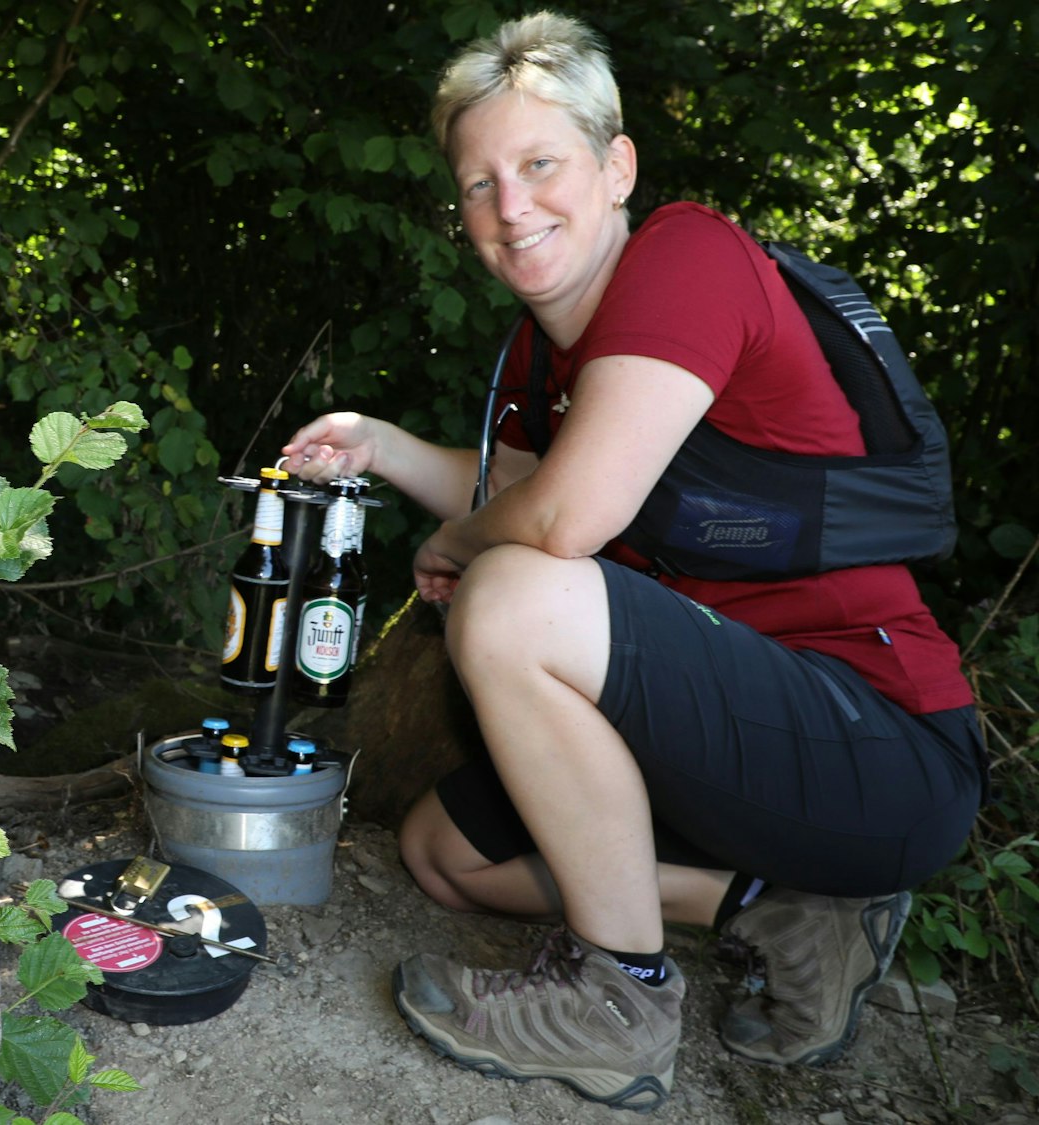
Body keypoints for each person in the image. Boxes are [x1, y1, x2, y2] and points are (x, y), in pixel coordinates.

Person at [281, 11, 987, 1112]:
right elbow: (512, 500)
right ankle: (783, 912)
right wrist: (373, 447)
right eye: (477, 185)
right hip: (722, 746)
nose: (509, 206)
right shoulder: (541, 349)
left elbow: (558, 525)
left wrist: (454, 546)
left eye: (538, 164)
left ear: (616, 167)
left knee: (510, 595)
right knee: (443, 853)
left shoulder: (688, 257)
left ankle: (617, 999)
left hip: (875, 745)